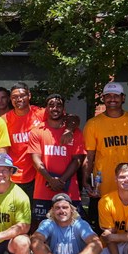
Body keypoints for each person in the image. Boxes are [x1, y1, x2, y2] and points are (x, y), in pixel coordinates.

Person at [82, 82, 128, 223]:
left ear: (123, 98)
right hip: (103, 186)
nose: (112, 99)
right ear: (103, 99)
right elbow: (89, 156)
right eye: (108, 96)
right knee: (103, 228)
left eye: (116, 96)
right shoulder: (93, 124)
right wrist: (86, 181)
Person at [29, 94, 86, 227]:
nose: (55, 108)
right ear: (46, 109)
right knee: (40, 228)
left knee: (73, 227)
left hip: (69, 190)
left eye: (59, 105)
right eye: (51, 105)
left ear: (63, 108)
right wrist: (50, 180)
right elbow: (35, 159)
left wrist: (61, 181)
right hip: (43, 191)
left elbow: (77, 160)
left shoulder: (75, 132)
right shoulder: (37, 131)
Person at [2, 82, 45, 199]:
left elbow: (68, 119)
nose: (18, 99)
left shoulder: (41, 114)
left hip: (38, 175)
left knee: (34, 214)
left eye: (22, 95)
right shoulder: (5, 120)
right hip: (14, 175)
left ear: (29, 96)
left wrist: (70, 130)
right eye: (14, 97)